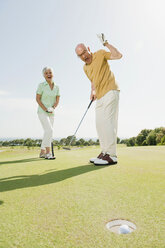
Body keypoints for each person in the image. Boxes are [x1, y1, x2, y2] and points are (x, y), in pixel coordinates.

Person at [75, 34, 122, 165]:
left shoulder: (100, 54)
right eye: (80, 55)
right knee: (100, 125)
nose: (84, 56)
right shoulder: (85, 67)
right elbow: (93, 81)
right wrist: (93, 91)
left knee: (108, 123)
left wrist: (106, 43)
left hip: (111, 90)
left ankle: (112, 155)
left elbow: (118, 55)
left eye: (84, 52)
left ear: (88, 49)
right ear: (79, 57)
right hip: (100, 96)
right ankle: (104, 152)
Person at [36, 67, 60, 159]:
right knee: (50, 131)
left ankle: (42, 152)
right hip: (42, 111)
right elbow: (37, 99)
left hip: (51, 112)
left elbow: (57, 100)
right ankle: (48, 153)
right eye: (46, 73)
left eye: (50, 72)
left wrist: (53, 108)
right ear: (44, 75)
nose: (49, 74)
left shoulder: (57, 87)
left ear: (53, 74)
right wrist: (45, 109)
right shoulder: (41, 85)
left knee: (47, 132)